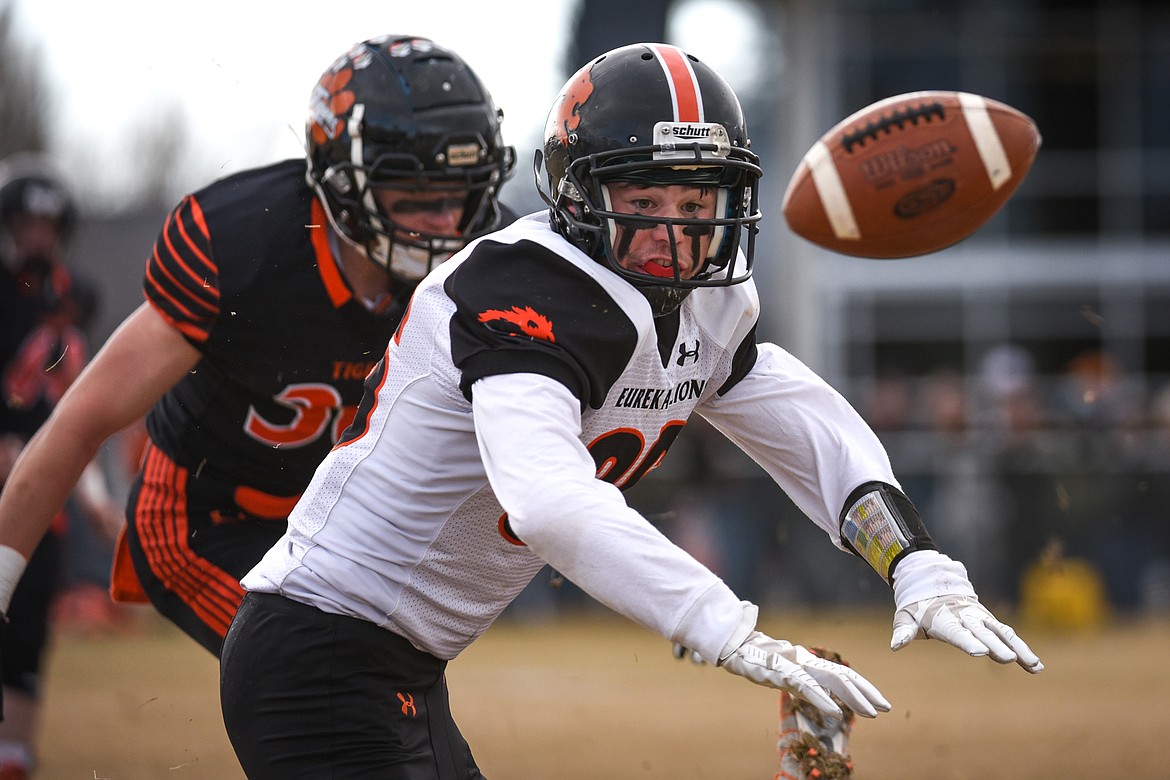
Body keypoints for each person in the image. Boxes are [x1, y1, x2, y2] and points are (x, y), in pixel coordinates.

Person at [219, 42, 1043, 778]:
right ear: (578, 195)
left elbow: (809, 427)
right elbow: (547, 501)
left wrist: (917, 563)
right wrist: (725, 627)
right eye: (643, 201)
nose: (671, 234)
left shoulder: (715, 305)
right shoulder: (519, 287)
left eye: (695, 207)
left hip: (397, 666)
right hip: (318, 652)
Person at [0, 30, 515, 692]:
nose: (446, 221)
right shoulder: (243, 246)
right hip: (204, 519)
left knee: (392, 694)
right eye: (413, 192)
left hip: (333, 530)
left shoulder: (490, 257)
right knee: (336, 687)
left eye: (459, 191)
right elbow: (79, 421)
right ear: (341, 181)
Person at [0, 154, 122, 777]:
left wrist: (95, 498)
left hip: (38, 490)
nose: (37, 237)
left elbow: (71, 413)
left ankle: (13, 755)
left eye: (47, 225)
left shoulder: (77, 300)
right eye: (26, 223)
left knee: (25, 624)